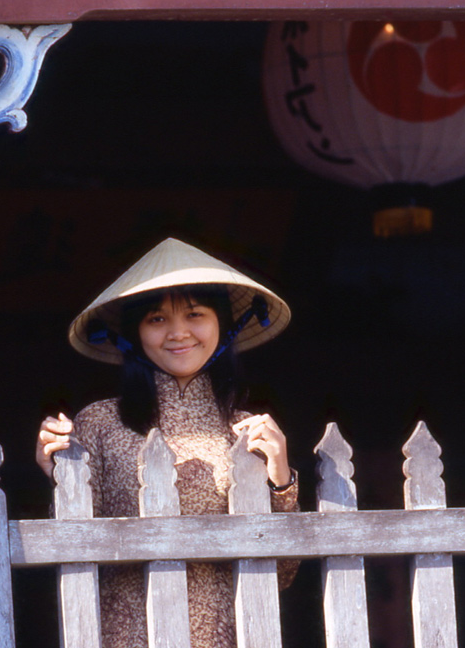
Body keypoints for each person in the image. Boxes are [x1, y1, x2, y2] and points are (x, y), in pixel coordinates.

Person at [35, 237, 299, 648]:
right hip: (127, 636)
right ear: (134, 333)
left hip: (228, 636)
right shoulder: (101, 422)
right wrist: (60, 473)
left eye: (195, 314)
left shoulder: (250, 431)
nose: (178, 333)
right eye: (156, 319)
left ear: (222, 324)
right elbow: (74, 554)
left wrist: (282, 483)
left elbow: (281, 574)